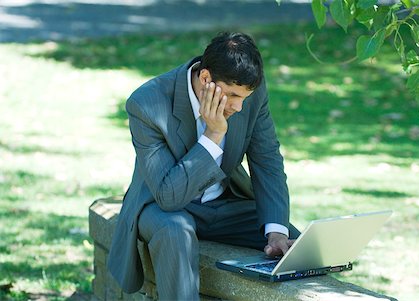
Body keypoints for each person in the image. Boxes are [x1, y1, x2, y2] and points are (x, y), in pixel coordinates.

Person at [107, 32, 300, 300]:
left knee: (297, 247)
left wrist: (277, 232)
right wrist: (213, 135)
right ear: (206, 78)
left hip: (224, 205)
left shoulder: (248, 95)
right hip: (162, 207)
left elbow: (267, 160)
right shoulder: (147, 104)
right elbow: (169, 197)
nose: (239, 107)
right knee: (177, 231)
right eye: (232, 95)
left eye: (244, 97)